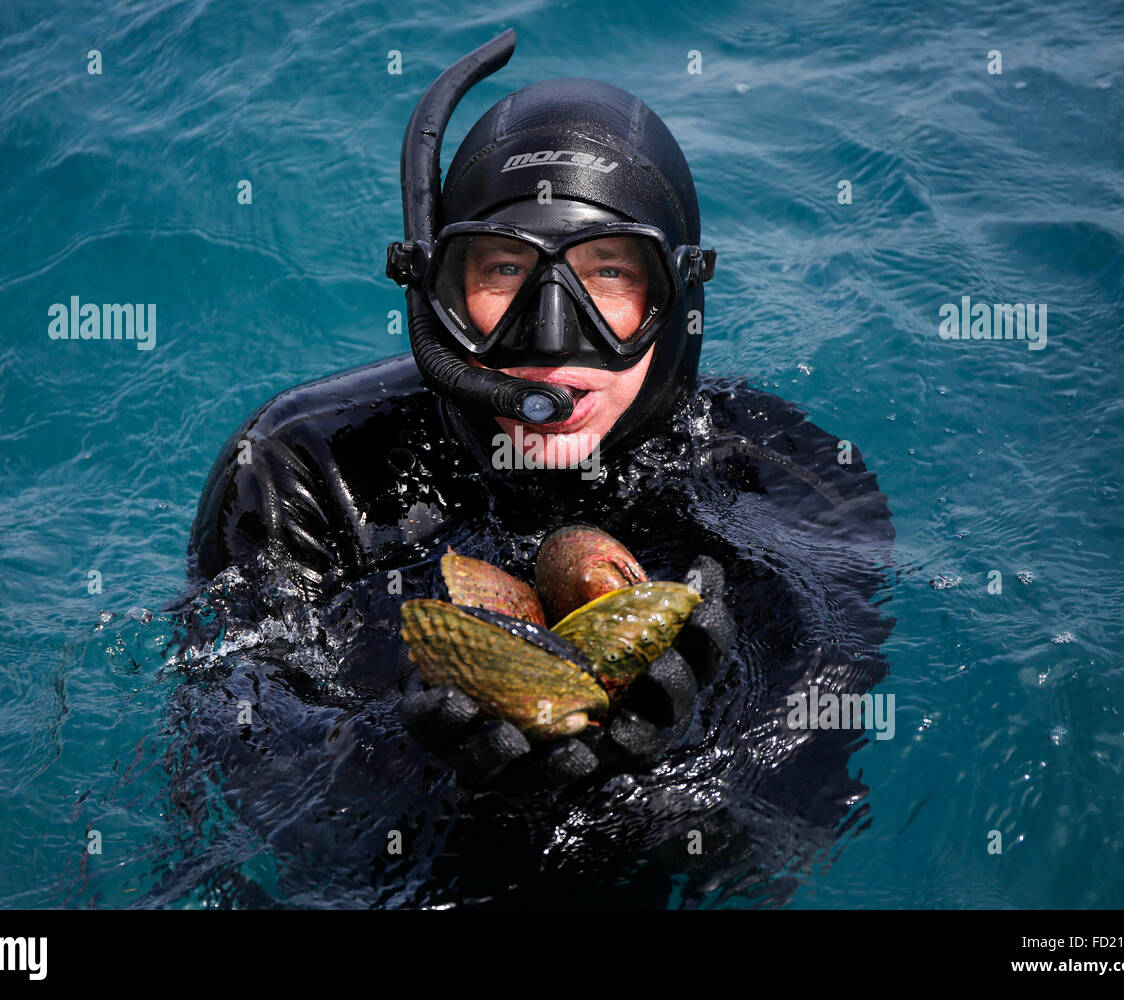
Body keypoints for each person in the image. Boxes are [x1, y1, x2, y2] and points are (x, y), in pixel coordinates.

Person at [173, 30, 894, 907]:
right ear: (434, 294)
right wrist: (422, 761)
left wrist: (661, 784)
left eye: (609, 274)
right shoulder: (308, 472)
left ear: (680, 301)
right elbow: (260, 806)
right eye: (505, 270)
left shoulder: (801, 483)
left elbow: (785, 844)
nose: (552, 338)